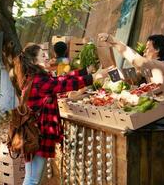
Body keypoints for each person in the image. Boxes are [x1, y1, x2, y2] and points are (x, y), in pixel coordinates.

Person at [18, 43, 110, 185]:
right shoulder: (39, 80)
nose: (47, 57)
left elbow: (61, 79)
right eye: (42, 55)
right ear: (33, 61)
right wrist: (93, 77)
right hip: (36, 135)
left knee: (32, 177)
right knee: (32, 179)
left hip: (34, 134)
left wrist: (86, 71)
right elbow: (62, 85)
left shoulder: (35, 77)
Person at [98, 33, 164, 84]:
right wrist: (105, 74)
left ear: (157, 49)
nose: (144, 51)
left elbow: (136, 59)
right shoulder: (148, 69)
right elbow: (129, 74)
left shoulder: (161, 66)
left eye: (147, 48)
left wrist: (111, 39)